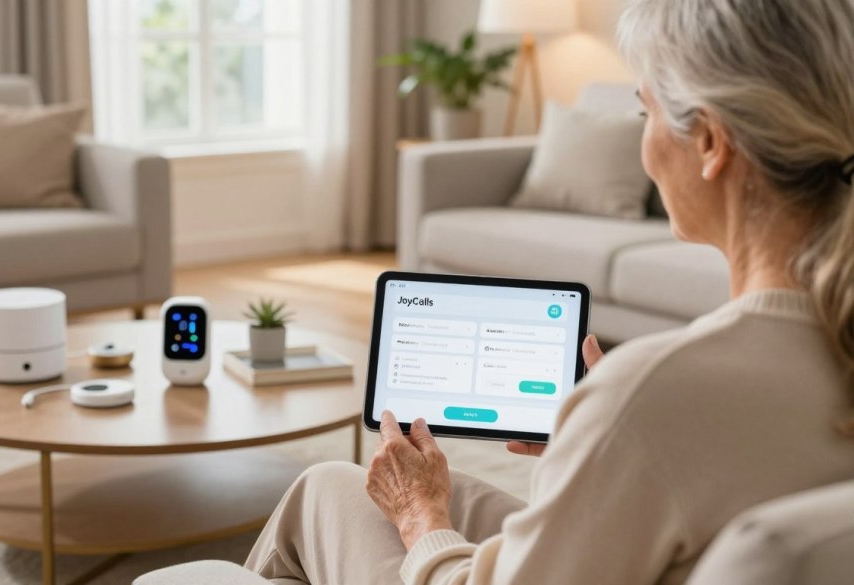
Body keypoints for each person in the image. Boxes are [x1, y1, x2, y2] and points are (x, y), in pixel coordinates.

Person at [243, 0, 854, 583]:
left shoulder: (650, 396)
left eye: (645, 115)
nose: (644, 145)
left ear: (711, 144)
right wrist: (593, 446)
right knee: (345, 487)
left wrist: (420, 514)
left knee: (325, 487)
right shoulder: (800, 358)